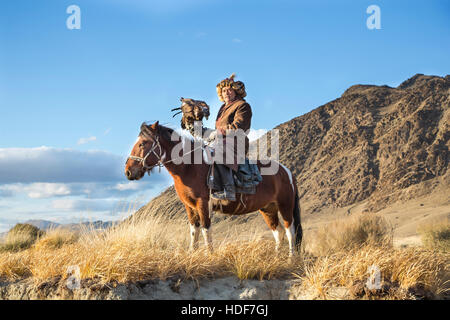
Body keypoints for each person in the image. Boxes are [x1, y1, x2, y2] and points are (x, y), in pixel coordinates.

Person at [210, 73, 252, 201]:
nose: (226, 93)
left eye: (229, 90)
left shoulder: (242, 105)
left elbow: (238, 127)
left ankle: (229, 190)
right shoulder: (222, 108)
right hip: (221, 141)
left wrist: (219, 133)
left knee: (219, 151)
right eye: (223, 91)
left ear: (235, 92)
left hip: (236, 143)